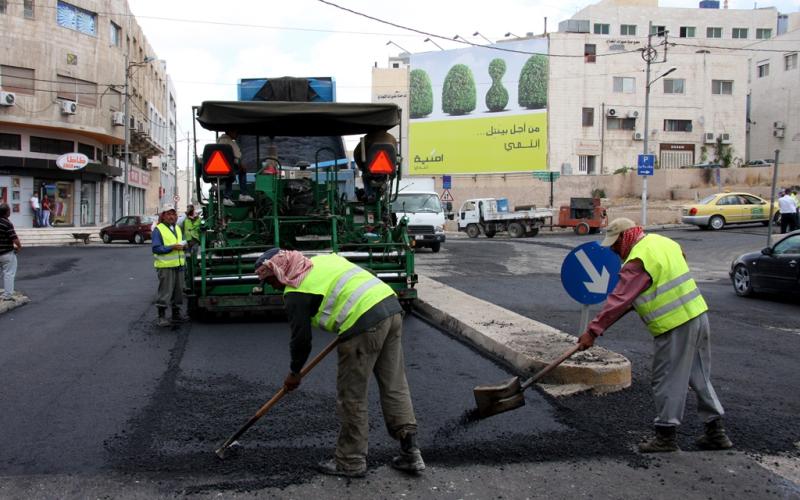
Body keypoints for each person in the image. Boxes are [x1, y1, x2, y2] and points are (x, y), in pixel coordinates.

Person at [255, 249, 424, 478]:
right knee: (395, 385)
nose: (272, 287)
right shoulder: (322, 260)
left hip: (363, 324)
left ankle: (350, 461)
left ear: (279, 270)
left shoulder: (295, 291)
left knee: (352, 394)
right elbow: (368, 273)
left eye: (270, 280)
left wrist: (295, 372)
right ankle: (411, 453)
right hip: (390, 308)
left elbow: (301, 340)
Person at [577, 218, 732, 453]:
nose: (614, 251)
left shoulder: (638, 259)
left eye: (615, 244)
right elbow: (668, 273)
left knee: (667, 378)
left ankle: (666, 436)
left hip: (674, 325)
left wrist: (592, 331)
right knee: (699, 375)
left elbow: (619, 300)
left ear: (625, 237)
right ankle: (716, 432)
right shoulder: (664, 242)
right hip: (698, 316)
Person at [151, 204, 186, 327]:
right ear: (163, 216)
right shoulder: (158, 230)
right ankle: (161, 317)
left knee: (178, 291)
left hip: (179, 265)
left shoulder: (177, 228)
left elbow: (181, 242)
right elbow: (156, 248)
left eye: (173, 214)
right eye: (169, 214)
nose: (172, 216)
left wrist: (184, 246)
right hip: (165, 266)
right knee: (165, 292)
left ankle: (176, 314)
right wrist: (172, 247)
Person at [217, 130, 254, 206]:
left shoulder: (219, 141)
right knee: (242, 171)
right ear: (230, 132)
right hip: (228, 170)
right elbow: (237, 157)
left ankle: (226, 197)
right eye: (235, 132)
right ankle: (243, 194)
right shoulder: (231, 143)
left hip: (218, 170)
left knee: (229, 173)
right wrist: (242, 165)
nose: (237, 134)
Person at [0, 204, 22, 302]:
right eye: (9, 210)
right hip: (6, 253)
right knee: (9, 273)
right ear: (6, 212)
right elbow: (14, 238)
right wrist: (19, 247)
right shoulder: (7, 223)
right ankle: (7, 295)